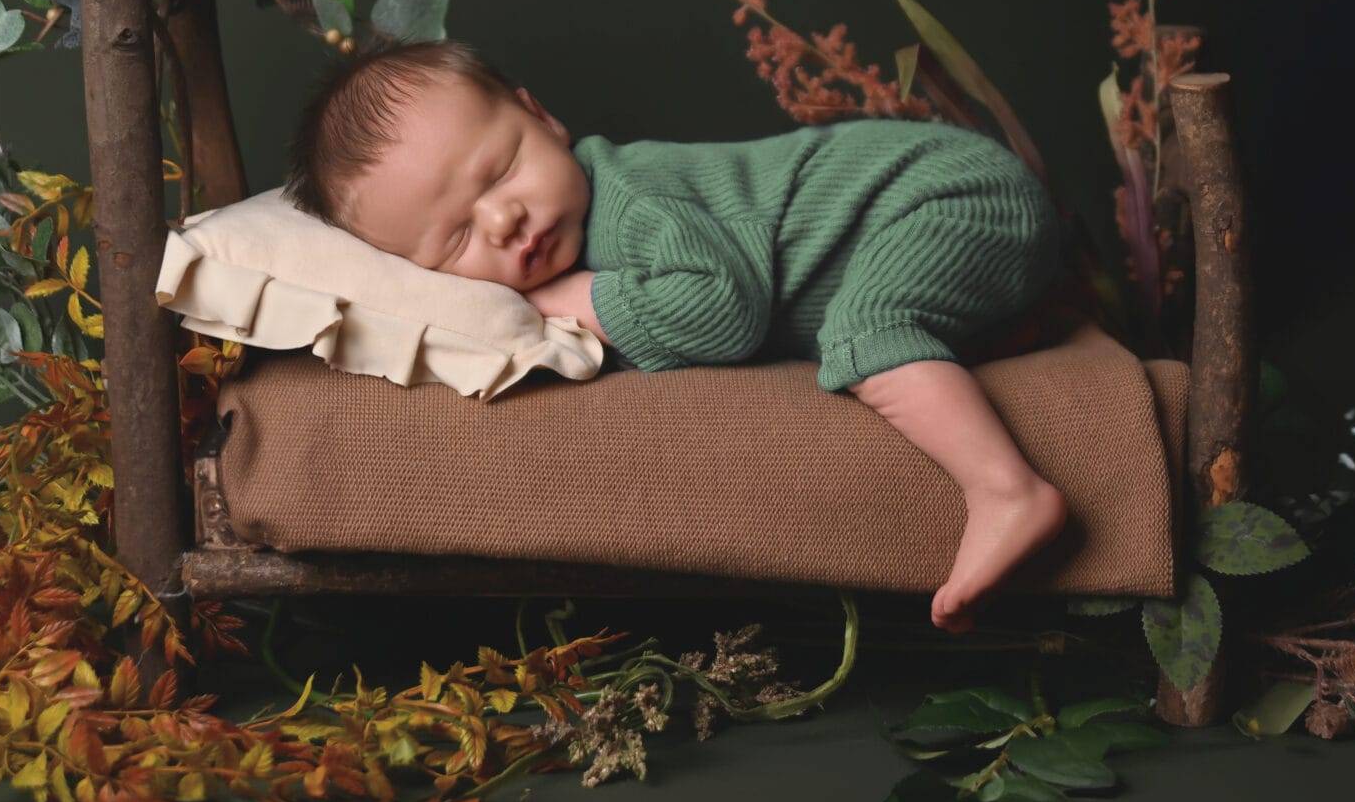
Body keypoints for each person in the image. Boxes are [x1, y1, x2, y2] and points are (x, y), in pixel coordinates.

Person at [282, 37, 1067, 633]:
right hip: (936, 223)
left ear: (543, 118)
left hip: (949, 193)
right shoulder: (555, 231)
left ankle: (1008, 491)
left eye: (501, 171)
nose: (503, 219)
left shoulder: (634, 198)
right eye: (455, 240)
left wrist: (582, 297)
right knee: (876, 312)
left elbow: (723, 311)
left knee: (866, 331)